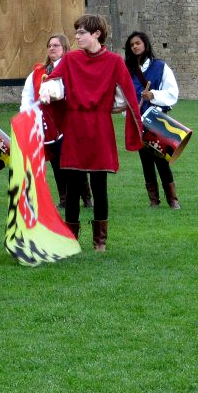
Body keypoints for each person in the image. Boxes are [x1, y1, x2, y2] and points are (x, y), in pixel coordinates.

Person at [40, 14, 143, 252]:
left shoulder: (114, 61)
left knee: (99, 184)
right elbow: (55, 82)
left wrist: (111, 107)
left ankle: (100, 242)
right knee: (73, 184)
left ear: (96, 34)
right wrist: (49, 91)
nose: (77, 37)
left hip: (99, 126)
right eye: (76, 33)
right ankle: (71, 239)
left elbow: (126, 95)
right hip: (74, 125)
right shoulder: (71, 59)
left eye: (82, 33)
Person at [19, 33, 90, 209]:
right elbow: (27, 97)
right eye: (49, 45)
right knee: (56, 161)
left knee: (74, 161)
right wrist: (26, 117)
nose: (52, 48)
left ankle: (86, 197)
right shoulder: (37, 72)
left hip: (69, 122)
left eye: (56, 45)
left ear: (64, 48)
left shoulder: (73, 69)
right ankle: (64, 198)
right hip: (47, 125)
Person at [124, 31, 181, 209]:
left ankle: (173, 200)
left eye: (138, 43)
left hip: (157, 120)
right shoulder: (128, 69)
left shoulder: (160, 67)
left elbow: (172, 92)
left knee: (161, 160)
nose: (135, 46)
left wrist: (153, 95)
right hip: (138, 121)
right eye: (132, 44)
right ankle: (153, 201)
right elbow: (124, 94)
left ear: (145, 44)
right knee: (146, 162)